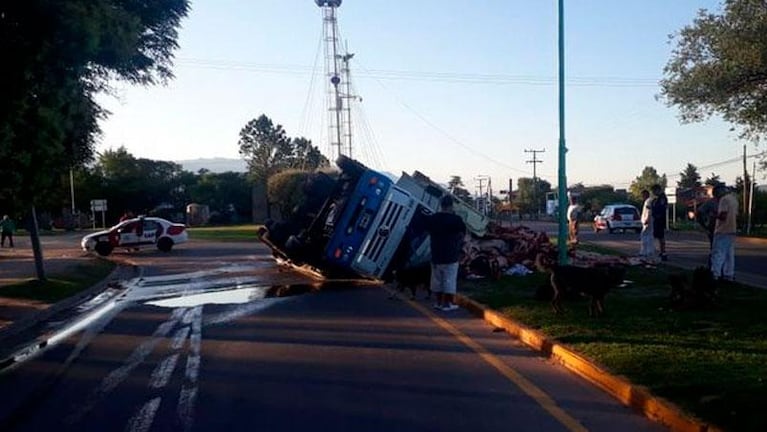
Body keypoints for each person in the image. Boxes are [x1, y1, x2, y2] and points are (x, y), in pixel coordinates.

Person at [425, 195, 467, 311]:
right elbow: (462, 234)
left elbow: (428, 232)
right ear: (451, 205)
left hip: (436, 253)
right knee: (449, 280)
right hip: (451, 254)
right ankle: (448, 304)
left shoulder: (433, 218)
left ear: (441, 205)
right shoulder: (456, 219)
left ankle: (438, 302)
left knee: (437, 280)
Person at [711, 184, 738, 281]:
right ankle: (729, 274)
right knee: (729, 254)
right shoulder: (733, 199)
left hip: (722, 230)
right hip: (732, 229)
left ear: (719, 192)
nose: (716, 197)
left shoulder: (724, 200)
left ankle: (715, 273)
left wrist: (714, 215)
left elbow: (723, 216)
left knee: (718, 252)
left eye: (716, 194)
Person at [650, 184, 668, 261]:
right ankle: (661, 251)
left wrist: (656, 213)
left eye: (654, 191)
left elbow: (661, 208)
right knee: (657, 236)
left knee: (660, 236)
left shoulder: (662, 198)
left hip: (659, 219)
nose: (653, 193)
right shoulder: (657, 199)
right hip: (657, 219)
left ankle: (663, 252)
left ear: (658, 190)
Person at [639, 190, 655, 259]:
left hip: (648, 221)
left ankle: (646, 251)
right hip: (649, 221)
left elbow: (649, 211)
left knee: (645, 236)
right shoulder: (649, 201)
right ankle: (647, 251)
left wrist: (647, 219)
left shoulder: (648, 201)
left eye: (643, 195)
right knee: (648, 236)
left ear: (646, 194)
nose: (642, 197)